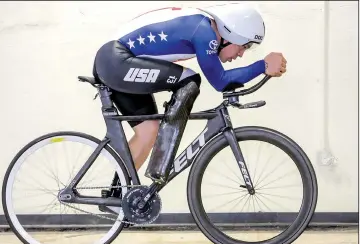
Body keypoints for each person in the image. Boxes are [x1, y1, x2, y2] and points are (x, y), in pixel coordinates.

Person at [93, 3, 287, 204]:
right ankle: (161, 165)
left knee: (149, 131)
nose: (241, 54)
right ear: (233, 35)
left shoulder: (202, 26)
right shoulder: (205, 33)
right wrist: (262, 66)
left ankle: (116, 198)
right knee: (189, 80)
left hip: (117, 61)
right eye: (243, 46)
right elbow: (220, 81)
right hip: (116, 61)